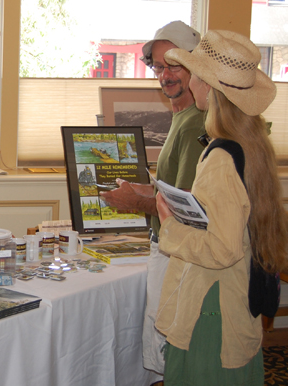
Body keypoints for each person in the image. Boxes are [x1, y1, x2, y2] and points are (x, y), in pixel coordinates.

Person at [156, 30, 288, 385]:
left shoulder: (220, 158)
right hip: (233, 299)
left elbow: (221, 248)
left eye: (195, 74)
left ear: (209, 87)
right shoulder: (251, 145)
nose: (191, 82)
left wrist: (170, 224)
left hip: (211, 312)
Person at [99, 20, 205, 383]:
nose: (165, 75)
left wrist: (136, 201)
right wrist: (141, 191)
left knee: (170, 355)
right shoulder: (181, 116)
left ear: (196, 65)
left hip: (179, 258)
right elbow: (171, 190)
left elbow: (191, 211)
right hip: (167, 251)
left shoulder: (197, 124)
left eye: (173, 64)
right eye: (158, 67)